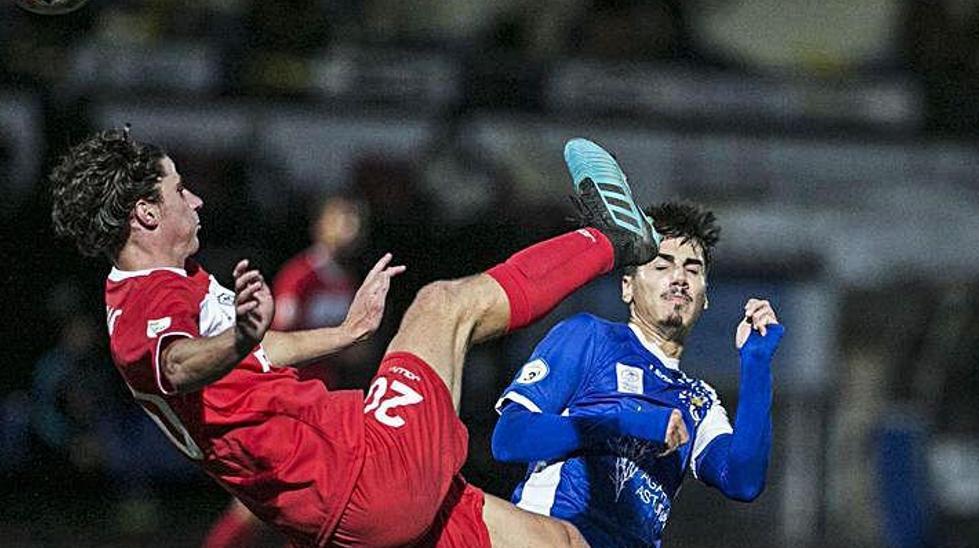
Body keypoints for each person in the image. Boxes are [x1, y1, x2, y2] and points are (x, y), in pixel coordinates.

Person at [49, 128, 656, 546]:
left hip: (349, 511)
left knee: (558, 539)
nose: (197, 197)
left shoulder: (171, 283)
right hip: (362, 475)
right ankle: (612, 239)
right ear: (147, 215)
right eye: (181, 188)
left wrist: (344, 333)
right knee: (441, 306)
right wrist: (236, 340)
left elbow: (256, 353)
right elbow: (181, 365)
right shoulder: (141, 310)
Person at [490, 200, 786, 547]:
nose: (679, 278)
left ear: (705, 298)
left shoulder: (699, 401)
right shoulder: (591, 338)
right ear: (627, 286)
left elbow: (743, 481)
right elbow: (509, 438)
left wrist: (756, 363)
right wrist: (623, 422)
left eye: (693, 269)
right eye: (662, 266)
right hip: (552, 535)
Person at [203, 194, 368, 548]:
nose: (350, 229)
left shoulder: (347, 282)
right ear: (319, 225)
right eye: (342, 219)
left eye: (355, 221)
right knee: (267, 499)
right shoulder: (300, 276)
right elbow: (277, 342)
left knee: (309, 500)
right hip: (291, 404)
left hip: (325, 405)